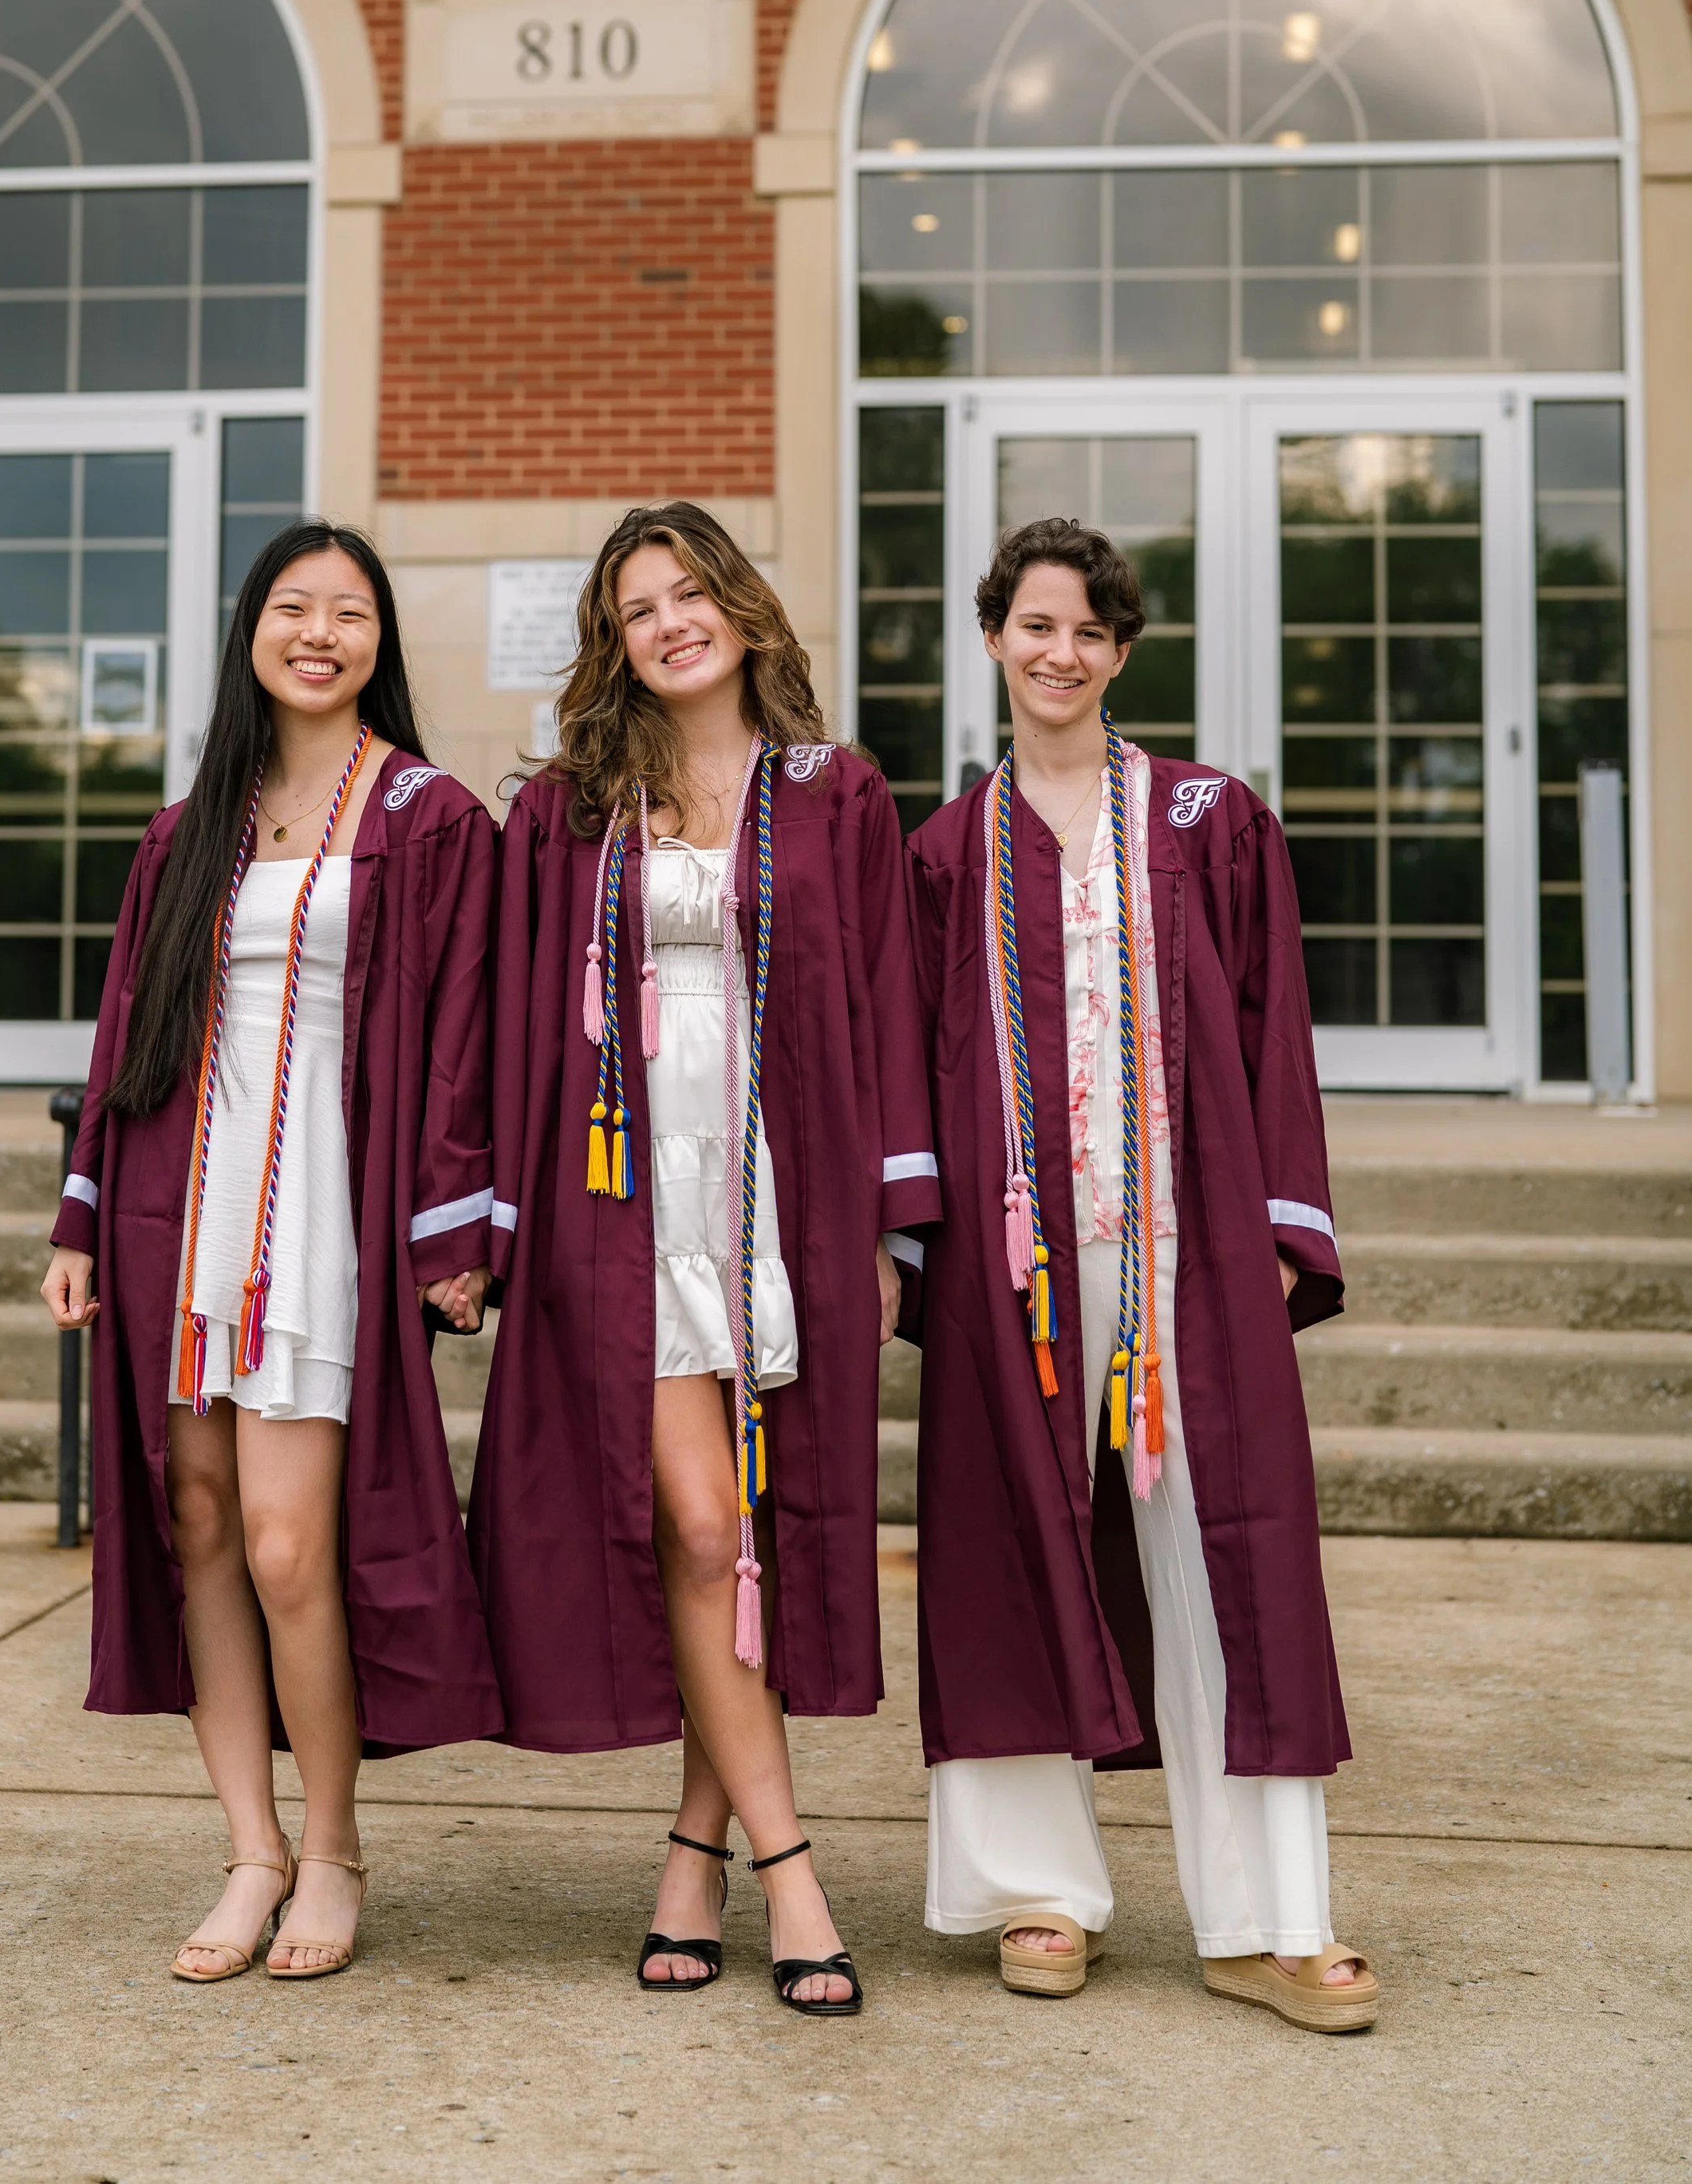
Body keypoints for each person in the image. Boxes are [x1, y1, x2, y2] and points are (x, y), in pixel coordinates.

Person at [905, 516, 1377, 2034]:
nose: (1062, 653)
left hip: (1191, 1241)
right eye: (1035, 625)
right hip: (1017, 1254)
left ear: (1122, 652)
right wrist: (921, 1234)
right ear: (993, 637)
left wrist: (1279, 1224)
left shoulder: (1205, 819)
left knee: (1230, 1550)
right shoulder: (940, 850)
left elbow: (1268, 1029)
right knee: (1009, 1544)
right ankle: (1037, 1890)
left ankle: (1269, 1916)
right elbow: (910, 1066)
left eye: (1091, 632)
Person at [468, 503, 938, 2013]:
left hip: (779, 1197)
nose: (669, 621)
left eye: (690, 591)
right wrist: (483, 1211)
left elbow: (885, 1003)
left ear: (741, 604)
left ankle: (693, 1844)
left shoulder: (834, 790)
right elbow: (504, 1017)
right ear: (611, 640)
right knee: (692, 1517)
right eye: (635, 606)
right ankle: (794, 1868)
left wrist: (882, 1219)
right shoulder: (569, 807)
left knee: (754, 1536)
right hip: (624, 1202)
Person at [41, 521, 501, 1984]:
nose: (320, 631)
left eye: (349, 611)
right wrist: (78, 1218)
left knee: (297, 1545)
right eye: (293, 607)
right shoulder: (192, 828)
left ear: (379, 642)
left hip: (322, 1213)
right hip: (186, 1199)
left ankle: (336, 1843)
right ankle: (250, 1846)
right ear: (251, 631)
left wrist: (453, 1221)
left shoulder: (429, 818)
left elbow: (461, 1049)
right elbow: (128, 1035)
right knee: (199, 1528)